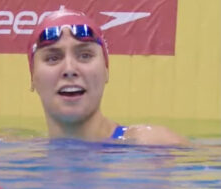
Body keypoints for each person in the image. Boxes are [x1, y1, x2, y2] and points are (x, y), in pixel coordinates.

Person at [27, 8, 188, 145]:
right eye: (53, 58)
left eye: (85, 55)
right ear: (33, 77)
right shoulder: (17, 150)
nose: (69, 69)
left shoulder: (155, 145)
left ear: (106, 70)